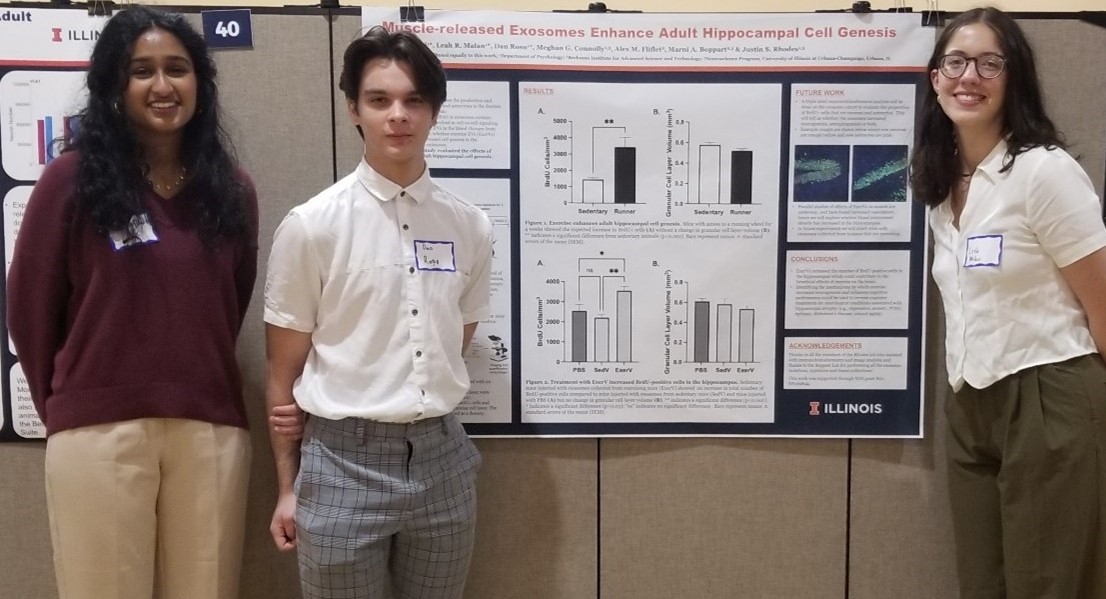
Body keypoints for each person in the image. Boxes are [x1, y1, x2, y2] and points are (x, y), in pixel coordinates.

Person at [6, 7, 258, 599]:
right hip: (98, 432)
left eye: (177, 68)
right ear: (114, 86)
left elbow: (230, 304)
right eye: (141, 70)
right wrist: (77, 399)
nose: (163, 85)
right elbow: (29, 311)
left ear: (200, 81)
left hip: (211, 430)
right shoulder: (68, 181)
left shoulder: (233, 191)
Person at [264, 26, 492, 599]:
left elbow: (453, 341)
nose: (398, 115)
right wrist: (287, 488)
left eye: (414, 100)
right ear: (353, 110)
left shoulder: (470, 226)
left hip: (443, 461)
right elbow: (281, 373)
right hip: (341, 462)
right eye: (380, 100)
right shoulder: (312, 226)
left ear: (434, 112)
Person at [910, 7, 1106, 598]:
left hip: (1048, 397)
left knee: (1048, 585)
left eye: (989, 63)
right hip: (971, 403)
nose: (970, 76)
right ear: (935, 77)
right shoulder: (941, 186)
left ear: (1013, 77)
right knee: (984, 584)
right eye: (956, 62)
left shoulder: (1043, 173)